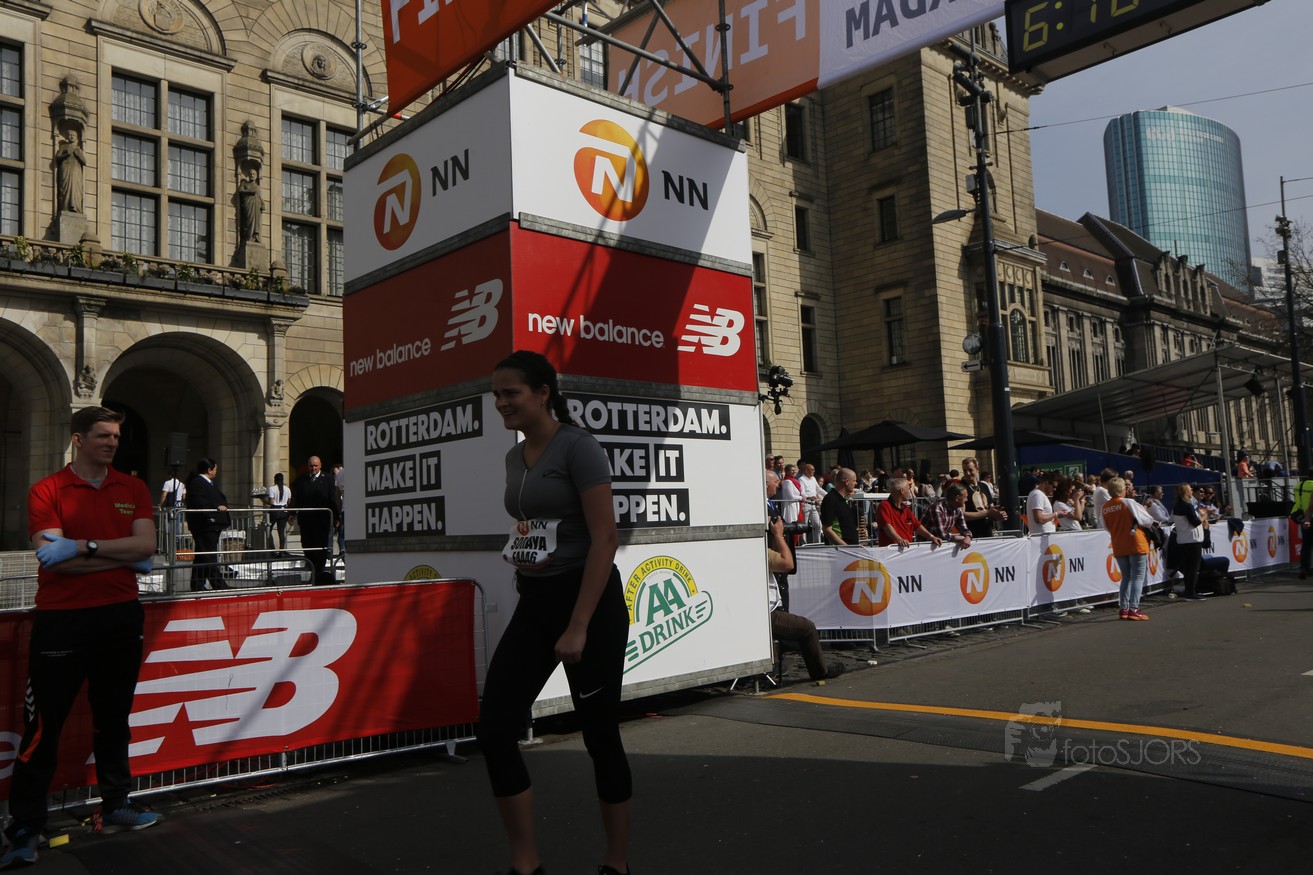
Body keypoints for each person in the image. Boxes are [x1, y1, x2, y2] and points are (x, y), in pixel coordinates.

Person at [476, 350, 631, 875]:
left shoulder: (578, 447)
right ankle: (526, 864)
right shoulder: (513, 457)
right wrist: (524, 550)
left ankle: (616, 863)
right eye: (496, 395)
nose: (501, 403)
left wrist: (579, 625)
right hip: (537, 600)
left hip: (589, 604)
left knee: (600, 735)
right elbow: (534, 524)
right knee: (495, 729)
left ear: (543, 393)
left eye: (511, 393)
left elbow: (605, 538)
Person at [1, 407, 161, 869]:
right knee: (44, 727)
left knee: (114, 717)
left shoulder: (133, 488)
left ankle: (116, 805)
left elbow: (147, 547)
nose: (112, 443)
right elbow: (56, 562)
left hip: (120, 616)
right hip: (63, 619)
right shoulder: (47, 489)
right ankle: (25, 826)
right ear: (78, 439)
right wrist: (122, 556)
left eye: (116, 436)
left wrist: (83, 545)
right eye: (102, 436)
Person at [765, 471, 845, 682]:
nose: (778, 485)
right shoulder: (762, 550)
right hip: (766, 609)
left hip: (768, 600)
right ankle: (819, 671)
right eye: (775, 481)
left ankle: (772, 666)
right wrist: (778, 537)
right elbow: (787, 563)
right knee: (806, 628)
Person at [1102, 477, 1154, 620]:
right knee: (1137, 576)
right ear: (1122, 489)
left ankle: (1124, 608)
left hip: (1118, 543)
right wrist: (1144, 510)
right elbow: (1147, 521)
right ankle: (1134, 608)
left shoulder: (1105, 507)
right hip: (1135, 542)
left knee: (1126, 577)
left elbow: (1106, 527)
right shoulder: (1128, 502)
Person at [184, 458, 230, 592]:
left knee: (202, 555)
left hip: (210, 525)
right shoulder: (198, 483)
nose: (216, 472)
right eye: (215, 469)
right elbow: (199, 502)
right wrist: (216, 508)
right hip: (205, 525)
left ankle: (197, 584)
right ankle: (219, 585)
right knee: (209, 555)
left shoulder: (207, 483)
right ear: (209, 470)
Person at [291, 455, 338, 585]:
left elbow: (332, 498)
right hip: (306, 521)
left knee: (321, 548)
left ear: (320, 465)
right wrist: (292, 513)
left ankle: (319, 573)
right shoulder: (301, 480)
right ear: (308, 466)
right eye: (311, 466)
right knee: (307, 546)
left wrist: (336, 516)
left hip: (322, 521)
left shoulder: (328, 478)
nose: (313, 468)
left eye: (316, 466)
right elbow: (296, 498)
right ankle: (313, 570)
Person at [877, 477, 942, 549]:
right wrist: (899, 539)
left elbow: (917, 525)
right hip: (891, 551)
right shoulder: (884, 505)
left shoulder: (905, 508)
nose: (910, 492)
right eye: (908, 489)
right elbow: (887, 526)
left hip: (906, 550)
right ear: (902, 491)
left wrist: (931, 537)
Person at [1170, 482, 1209, 601]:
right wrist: (1204, 516)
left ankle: (1189, 591)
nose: (1192, 491)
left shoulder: (1177, 505)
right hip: (1192, 540)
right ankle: (1191, 592)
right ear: (1185, 492)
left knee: (1188, 568)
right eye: (1190, 490)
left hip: (1183, 539)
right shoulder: (1187, 506)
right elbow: (1195, 522)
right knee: (1193, 568)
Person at [961, 457, 1007, 539]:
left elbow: (991, 508)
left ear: (977, 469)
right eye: (965, 470)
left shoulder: (984, 486)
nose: (967, 473)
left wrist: (998, 513)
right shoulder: (961, 488)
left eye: (970, 470)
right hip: (970, 535)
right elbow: (962, 515)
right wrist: (987, 513)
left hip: (987, 532)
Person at [920, 483, 972, 547]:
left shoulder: (957, 509)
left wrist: (968, 536)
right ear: (957, 498)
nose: (966, 500)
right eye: (965, 497)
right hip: (925, 546)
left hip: (940, 545)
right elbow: (942, 535)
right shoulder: (937, 508)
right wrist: (961, 538)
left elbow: (964, 528)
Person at [820, 467, 861, 545]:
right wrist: (845, 547)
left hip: (852, 547)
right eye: (854, 481)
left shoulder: (845, 499)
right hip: (840, 549)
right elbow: (827, 529)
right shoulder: (830, 499)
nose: (856, 483)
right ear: (846, 482)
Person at [55, 128, 86, 214]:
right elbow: (57, 158)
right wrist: (66, 154)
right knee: (65, 188)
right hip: (65, 169)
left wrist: (78, 155)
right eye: (70, 135)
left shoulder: (78, 149)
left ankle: (75, 206)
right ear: (67, 137)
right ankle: (65, 206)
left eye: (74, 135)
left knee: (75, 189)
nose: (72, 137)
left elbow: (84, 162)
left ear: (76, 137)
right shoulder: (63, 147)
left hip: (76, 171)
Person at [1292, 467, 1313, 581]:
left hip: (1302, 516)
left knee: (1306, 544)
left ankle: (1304, 568)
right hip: (1311, 514)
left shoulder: (1298, 485)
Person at [796, 461, 824, 544]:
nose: (814, 471)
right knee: (804, 526)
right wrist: (809, 497)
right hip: (806, 504)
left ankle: (817, 542)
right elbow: (802, 492)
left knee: (818, 525)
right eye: (812, 469)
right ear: (806, 470)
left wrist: (828, 494)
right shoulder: (801, 479)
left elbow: (819, 489)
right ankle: (803, 543)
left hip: (813, 505)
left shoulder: (813, 479)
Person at [265, 472, 291, 555]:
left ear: (275, 480)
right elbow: (289, 502)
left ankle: (272, 549)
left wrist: (263, 500)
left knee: (268, 530)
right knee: (281, 532)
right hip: (284, 511)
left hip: (274, 510)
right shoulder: (287, 489)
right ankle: (281, 551)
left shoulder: (272, 488)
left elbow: (271, 502)